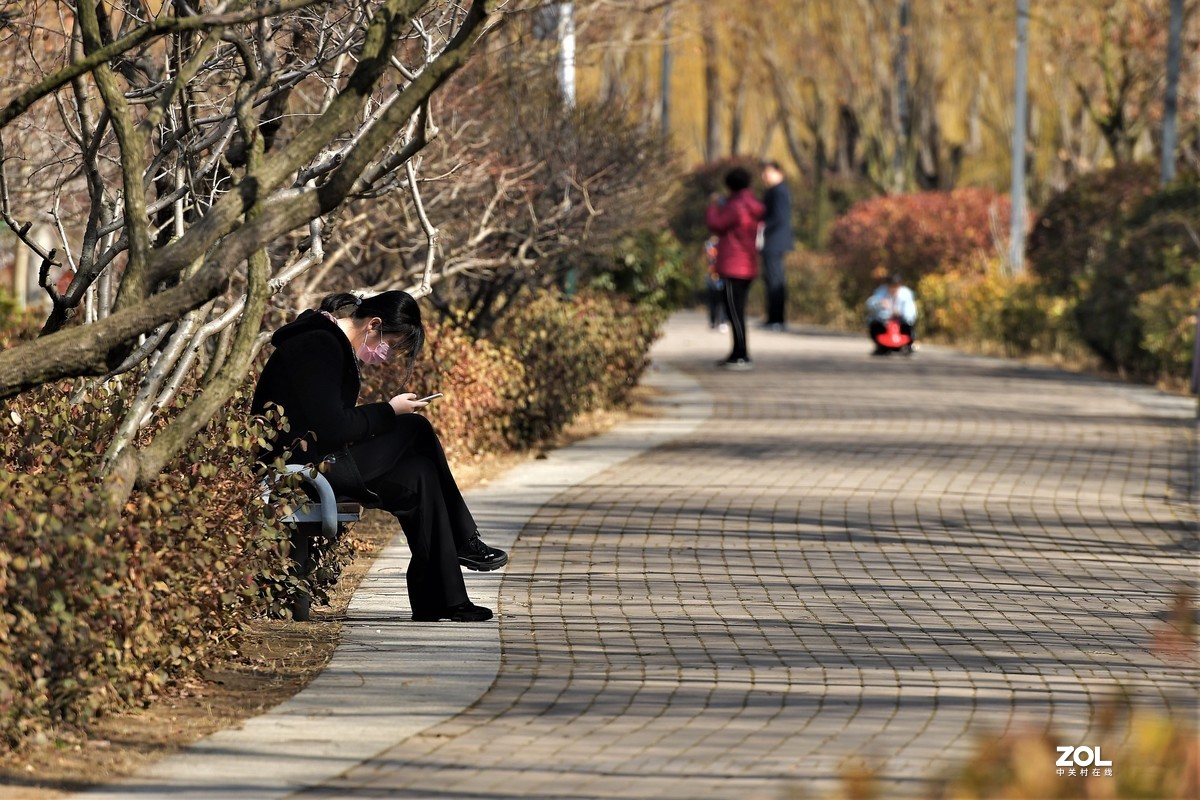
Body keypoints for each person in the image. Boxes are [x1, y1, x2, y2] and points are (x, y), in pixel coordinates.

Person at [251, 291, 507, 623]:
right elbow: (332, 428)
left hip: (320, 460)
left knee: (420, 473)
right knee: (414, 426)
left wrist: (386, 415)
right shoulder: (319, 345)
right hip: (300, 469)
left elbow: (328, 424)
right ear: (374, 324)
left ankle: (443, 600)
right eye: (390, 343)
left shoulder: (329, 342)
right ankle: (465, 540)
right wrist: (389, 410)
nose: (383, 356)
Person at [705, 167, 765, 370]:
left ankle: (741, 354)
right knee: (737, 311)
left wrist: (713, 207)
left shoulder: (735, 206)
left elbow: (717, 224)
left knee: (734, 312)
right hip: (747, 264)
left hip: (733, 265)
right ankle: (737, 352)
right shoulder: (753, 205)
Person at [758, 161, 794, 331]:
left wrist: (762, 226)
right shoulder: (776, 191)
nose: (764, 176)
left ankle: (777, 319)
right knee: (772, 280)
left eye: (767, 172)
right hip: (774, 241)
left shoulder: (779, 191)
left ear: (778, 172)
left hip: (774, 241)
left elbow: (779, 217)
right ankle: (773, 318)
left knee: (775, 281)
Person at [866, 272, 918, 355]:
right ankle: (881, 346)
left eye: (896, 286)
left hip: (901, 323)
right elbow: (869, 305)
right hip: (885, 323)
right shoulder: (881, 292)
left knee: (909, 325)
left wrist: (899, 313)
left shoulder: (906, 294)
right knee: (874, 323)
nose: (893, 289)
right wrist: (880, 304)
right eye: (891, 286)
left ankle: (907, 345)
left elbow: (911, 315)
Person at [703, 236, 729, 332]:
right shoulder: (710, 249)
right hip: (712, 278)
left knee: (723, 302)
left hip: (722, 278)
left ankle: (722, 321)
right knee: (713, 302)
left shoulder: (725, 249)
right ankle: (713, 321)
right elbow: (709, 259)